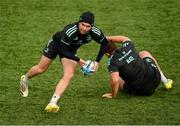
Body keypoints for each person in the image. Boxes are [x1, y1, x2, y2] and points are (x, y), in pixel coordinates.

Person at [19, 11, 109, 112]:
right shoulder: (70, 31)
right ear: (79, 22)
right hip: (56, 45)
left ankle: (52, 103)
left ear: (91, 26)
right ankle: (25, 78)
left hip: (70, 50)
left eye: (87, 26)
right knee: (41, 69)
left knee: (69, 75)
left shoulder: (95, 32)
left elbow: (105, 43)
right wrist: (79, 60)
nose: (84, 28)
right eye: (82, 24)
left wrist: (97, 61)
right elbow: (63, 50)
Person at [102, 36, 173, 98]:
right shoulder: (128, 46)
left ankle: (163, 81)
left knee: (118, 78)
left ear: (107, 53)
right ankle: (165, 81)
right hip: (156, 79)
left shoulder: (112, 62)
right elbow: (124, 38)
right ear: (115, 44)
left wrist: (113, 95)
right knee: (144, 53)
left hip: (144, 91)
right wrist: (107, 37)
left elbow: (115, 80)